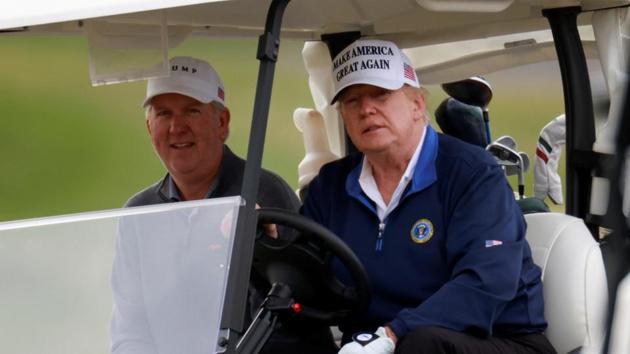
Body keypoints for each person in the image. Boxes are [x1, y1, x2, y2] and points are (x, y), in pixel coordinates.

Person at [301, 39, 557, 353]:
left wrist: (393, 334)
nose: (367, 109)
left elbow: (486, 282)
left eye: (381, 95)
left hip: (496, 339)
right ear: (344, 117)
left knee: (423, 344)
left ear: (417, 105)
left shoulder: (473, 174)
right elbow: (301, 265)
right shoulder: (331, 185)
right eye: (353, 101)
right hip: (377, 343)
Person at [111, 56, 335, 353]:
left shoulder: (265, 194)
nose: (177, 127)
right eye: (164, 114)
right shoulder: (139, 213)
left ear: (222, 122)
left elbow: (293, 318)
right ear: (149, 127)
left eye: (192, 111)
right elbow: (130, 327)